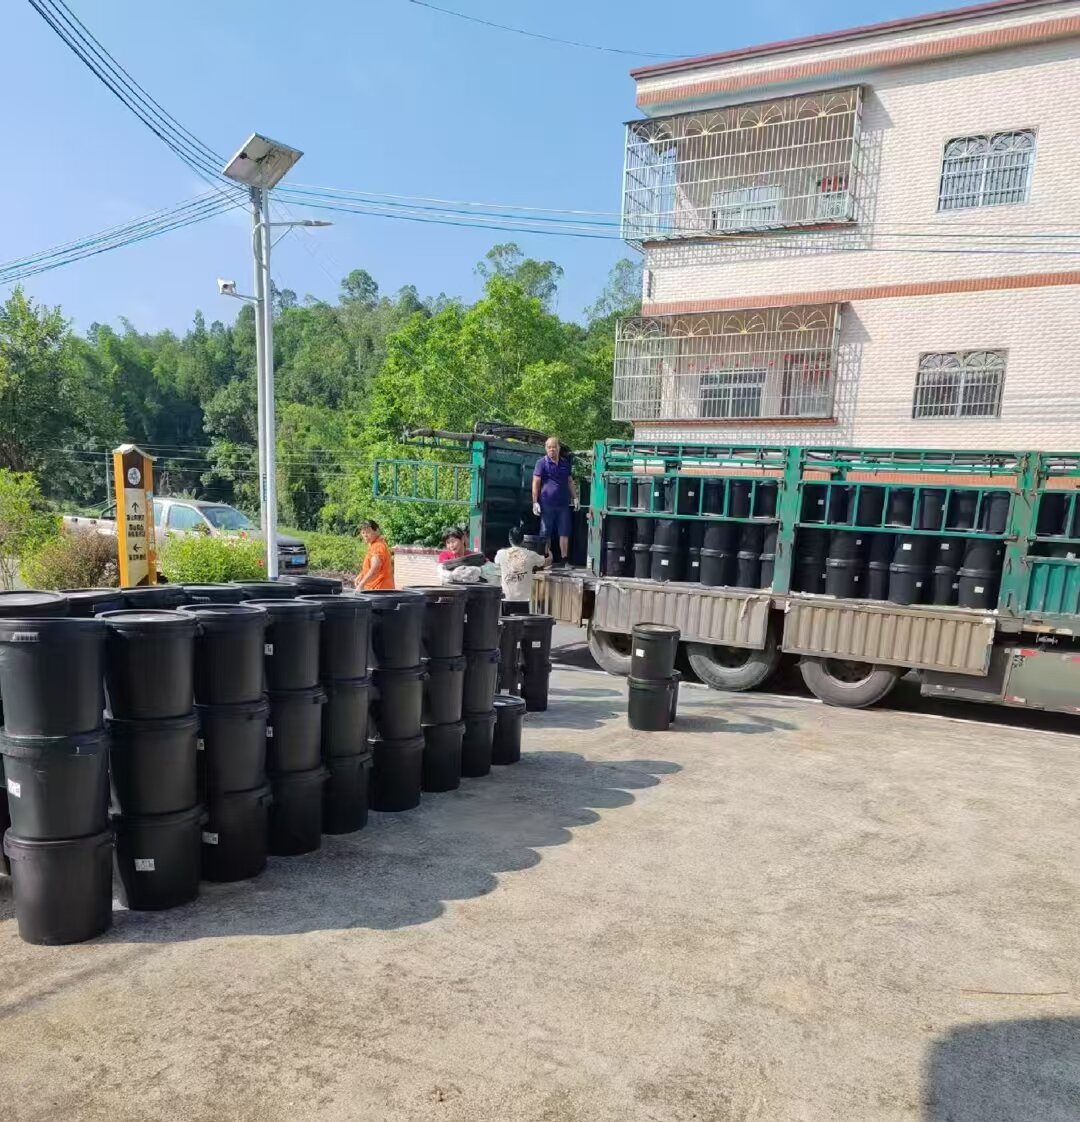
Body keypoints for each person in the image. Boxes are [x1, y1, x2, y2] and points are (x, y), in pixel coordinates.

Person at [532, 435, 579, 567]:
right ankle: (545, 559)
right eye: (549, 447)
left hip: (563, 504)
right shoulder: (541, 463)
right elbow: (536, 482)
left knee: (564, 532)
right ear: (546, 449)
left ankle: (564, 560)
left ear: (558, 448)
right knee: (545, 532)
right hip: (547, 504)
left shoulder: (565, 463)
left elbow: (569, 481)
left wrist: (575, 497)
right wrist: (535, 502)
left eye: (554, 447)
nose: (552, 450)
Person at [495, 526, 551, 614]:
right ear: (523, 540)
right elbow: (547, 561)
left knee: (505, 622)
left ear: (509, 539)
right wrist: (549, 552)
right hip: (524, 600)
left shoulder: (501, 554)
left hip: (506, 598)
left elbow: (497, 563)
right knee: (523, 623)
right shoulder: (531, 555)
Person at [355, 519, 394, 591]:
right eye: (363, 533)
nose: (365, 535)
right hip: (377, 590)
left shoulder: (377, 547)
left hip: (379, 590)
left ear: (376, 531)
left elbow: (375, 569)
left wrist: (361, 585)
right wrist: (362, 574)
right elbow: (370, 567)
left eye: (368, 532)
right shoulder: (373, 544)